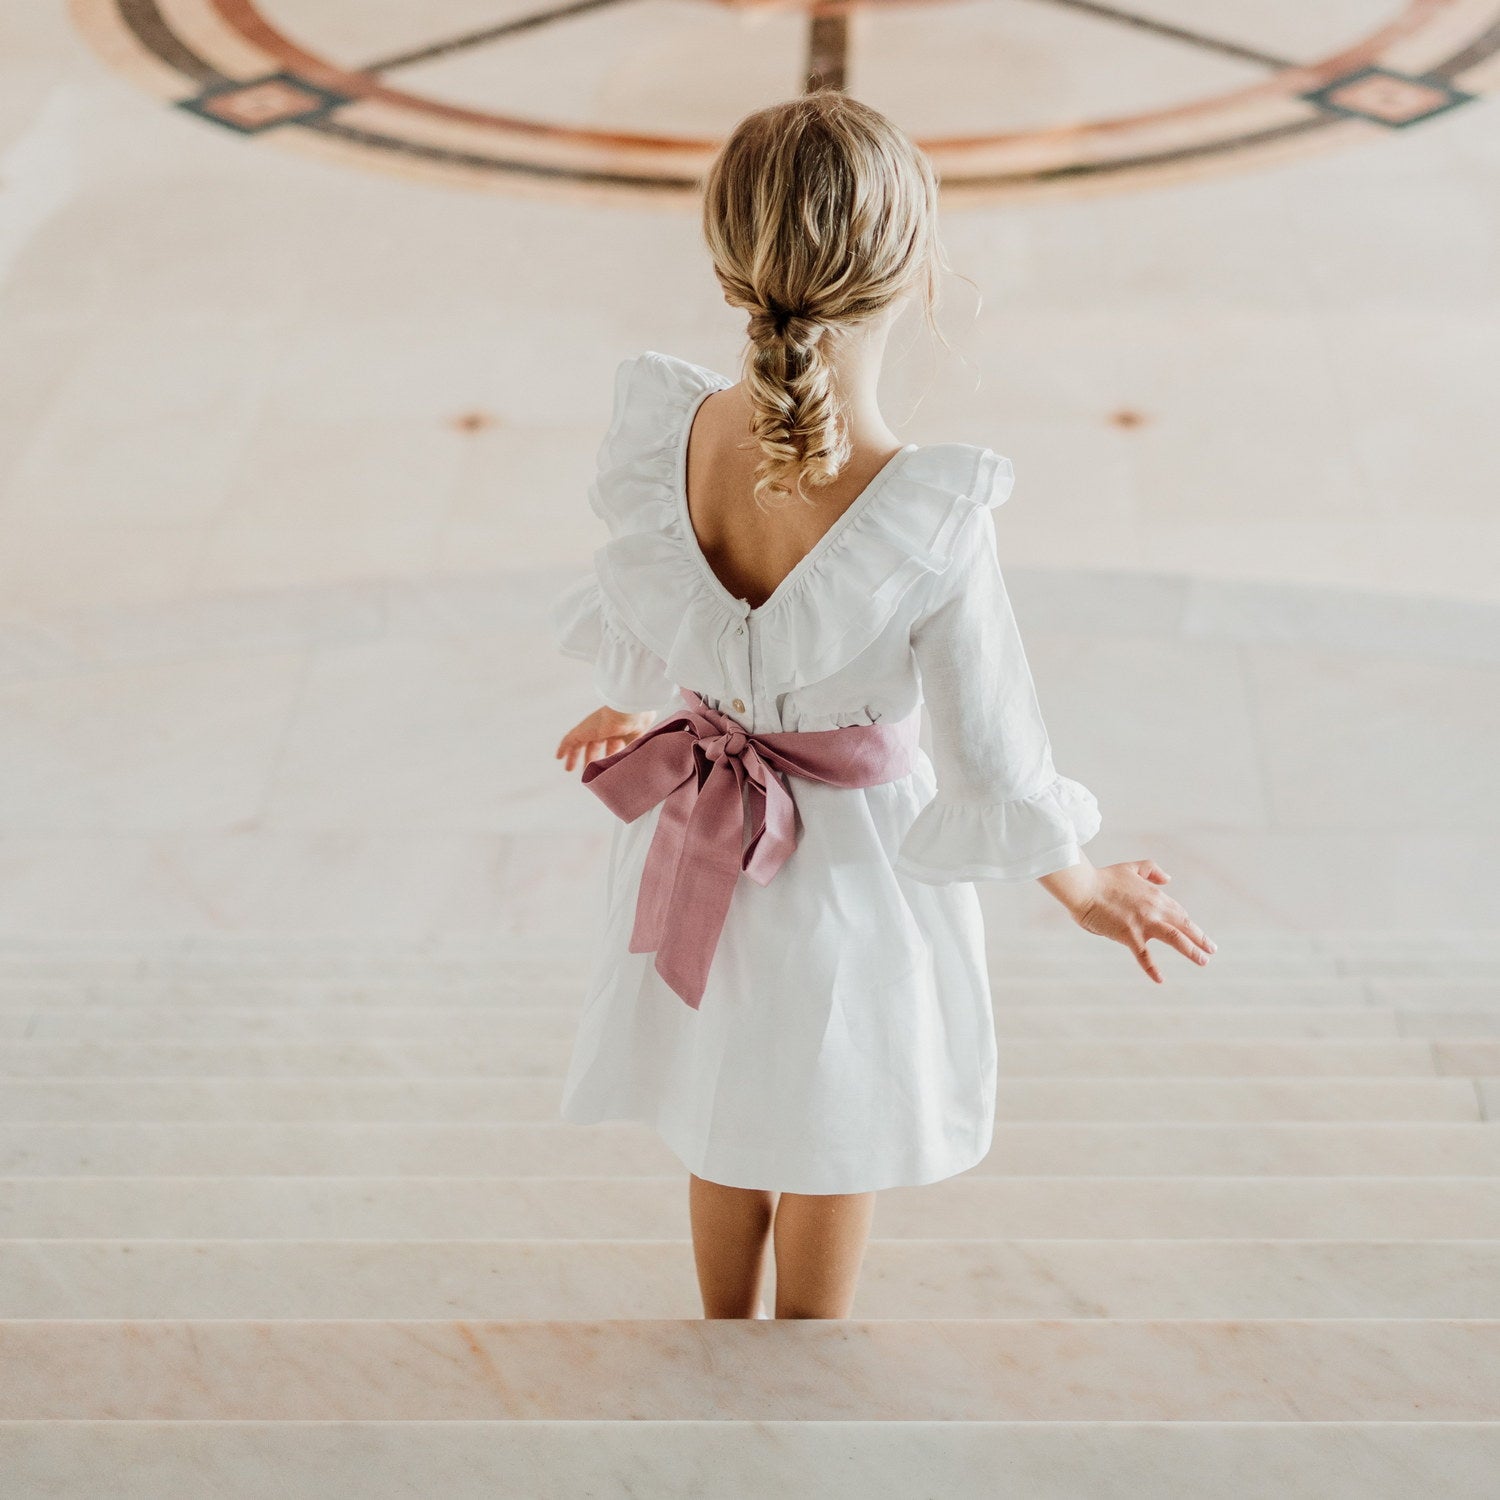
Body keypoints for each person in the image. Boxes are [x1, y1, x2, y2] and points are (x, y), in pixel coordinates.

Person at [548, 91, 1213, 1321]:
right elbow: (993, 748)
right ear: (913, 274)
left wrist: (645, 718)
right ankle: (800, 1379)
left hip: (699, 839)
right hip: (853, 873)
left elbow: (673, 634)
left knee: (722, 1109)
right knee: (831, 1130)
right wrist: (1088, 890)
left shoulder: (665, 439)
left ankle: (722, 1347)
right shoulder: (930, 513)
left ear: (726, 261)